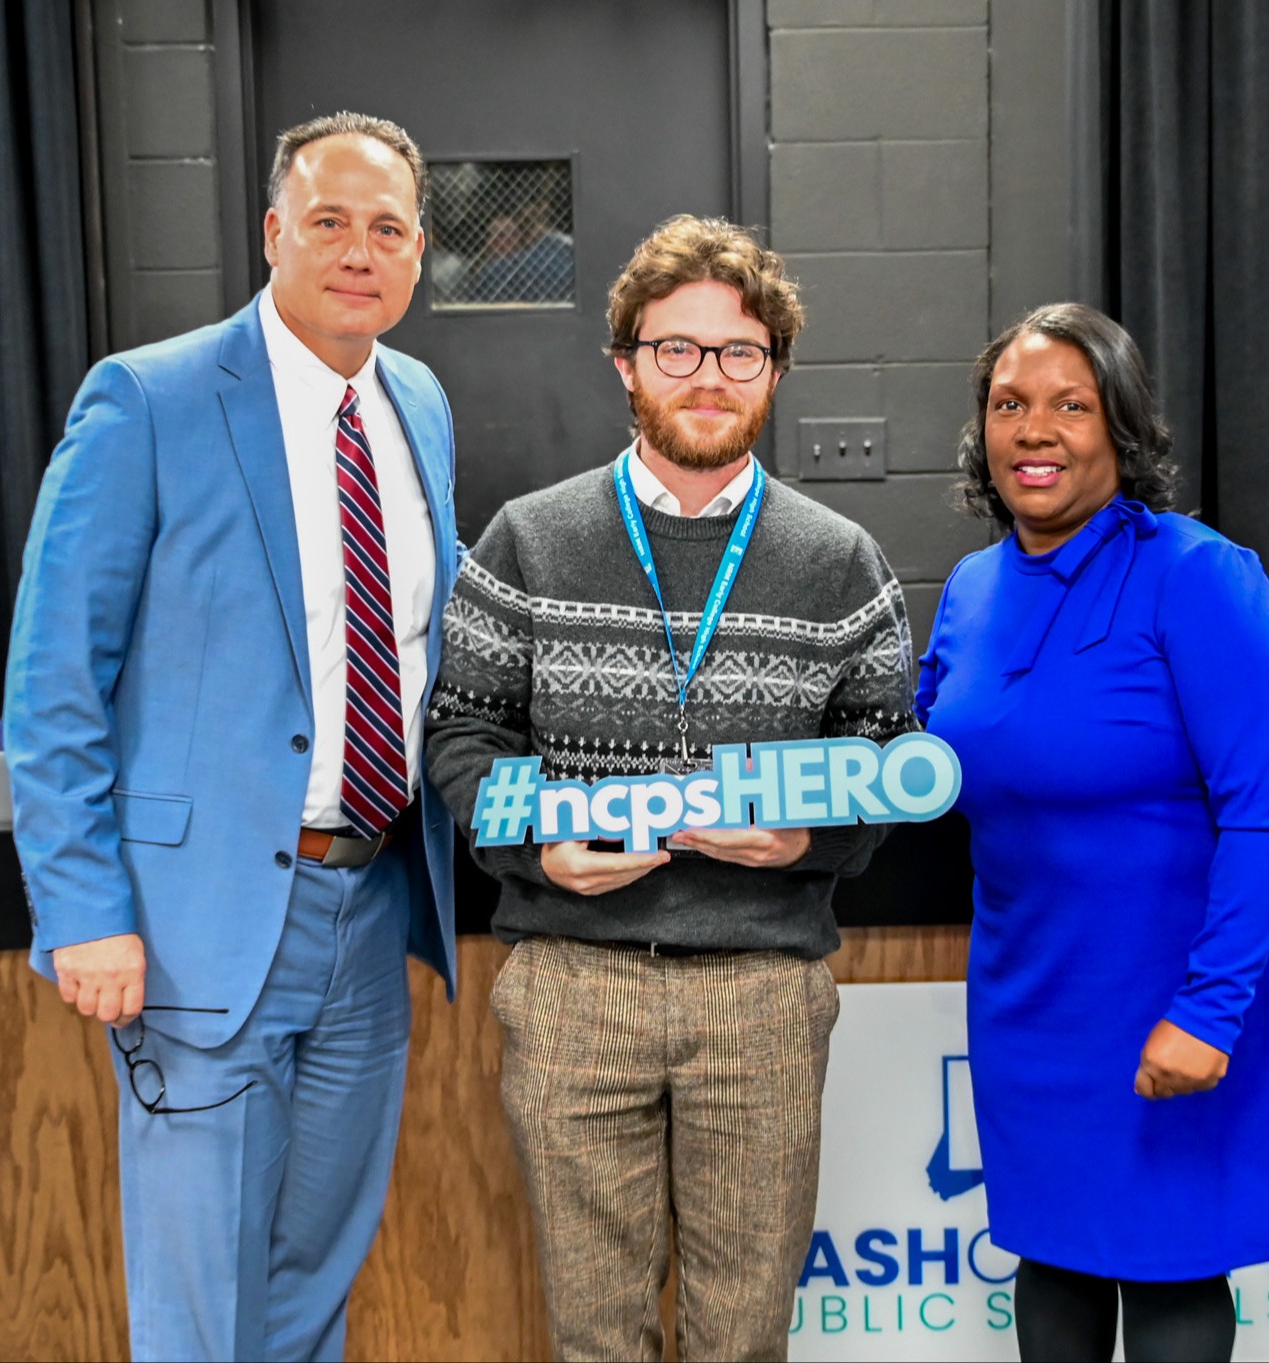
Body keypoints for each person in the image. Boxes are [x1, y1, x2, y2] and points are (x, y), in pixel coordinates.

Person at [3, 111, 460, 1362]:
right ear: (273, 234)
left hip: (368, 917)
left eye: (387, 229)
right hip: (198, 925)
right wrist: (82, 905)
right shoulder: (146, 400)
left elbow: (418, 642)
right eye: (328, 223)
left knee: (311, 1283)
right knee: (203, 1311)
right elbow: (52, 684)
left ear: (420, 254)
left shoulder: (416, 400)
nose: (358, 252)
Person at [425, 214, 917, 1361]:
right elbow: (461, 729)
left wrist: (807, 846)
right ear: (627, 362)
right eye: (677, 348)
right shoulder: (524, 540)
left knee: (742, 1334)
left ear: (774, 372)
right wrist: (531, 850)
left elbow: (886, 752)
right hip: (571, 983)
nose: (708, 376)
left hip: (761, 991)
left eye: (738, 352)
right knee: (595, 1335)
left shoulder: (840, 558)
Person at [915, 302, 1269, 1362]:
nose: (1034, 430)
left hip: (1179, 986)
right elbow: (920, 763)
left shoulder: (1199, 576)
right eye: (1010, 404)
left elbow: (1264, 816)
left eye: (1070, 406)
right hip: (1033, 992)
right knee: (1051, 1257)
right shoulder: (968, 588)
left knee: (1173, 1260)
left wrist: (1210, 1009)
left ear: (1121, 429)